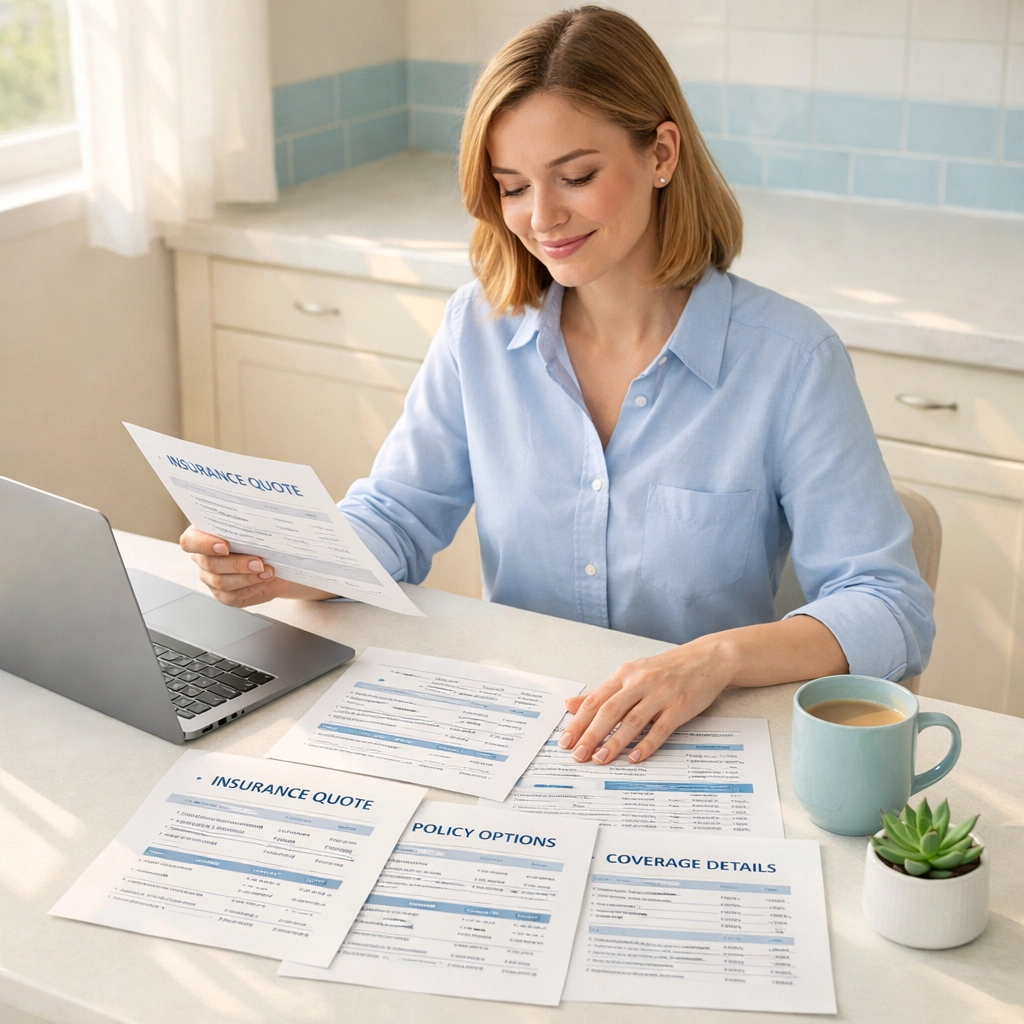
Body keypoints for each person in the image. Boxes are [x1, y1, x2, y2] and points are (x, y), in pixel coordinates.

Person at [181, 6, 934, 766]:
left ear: (662, 153)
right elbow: (398, 518)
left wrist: (714, 659)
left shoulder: (790, 359)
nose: (542, 218)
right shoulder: (478, 329)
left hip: (695, 748)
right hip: (524, 739)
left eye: (576, 177)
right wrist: (279, 563)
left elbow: (888, 604)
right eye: (512, 187)